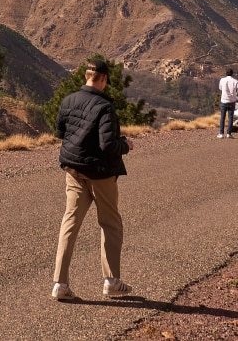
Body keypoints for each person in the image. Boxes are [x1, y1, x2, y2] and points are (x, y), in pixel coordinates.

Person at [51, 58, 135, 301]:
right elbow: (108, 144)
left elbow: (60, 132)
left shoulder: (68, 100)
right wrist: (126, 144)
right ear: (105, 79)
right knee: (110, 224)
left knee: (70, 224)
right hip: (100, 174)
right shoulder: (104, 107)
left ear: (86, 76)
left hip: (74, 171)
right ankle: (111, 281)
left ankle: (60, 283)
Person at [217, 67, 238, 138]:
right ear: (232, 74)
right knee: (230, 117)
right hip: (232, 101)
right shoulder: (235, 81)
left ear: (226, 73)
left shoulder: (222, 80)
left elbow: (220, 88)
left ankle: (221, 133)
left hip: (224, 101)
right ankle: (229, 133)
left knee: (222, 117)